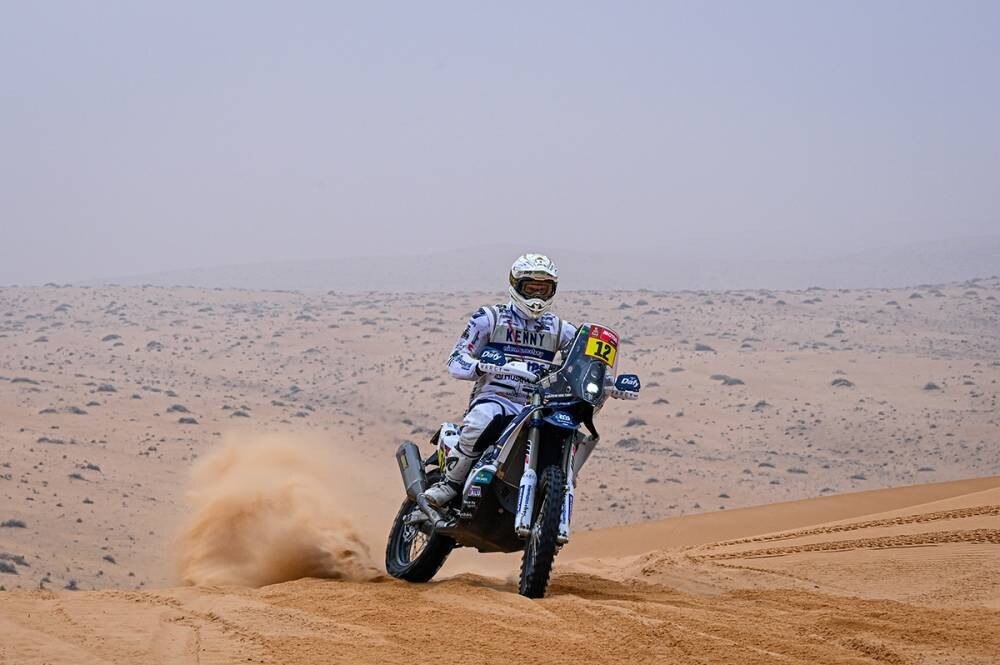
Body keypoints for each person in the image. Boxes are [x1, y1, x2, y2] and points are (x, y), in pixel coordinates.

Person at [421, 253, 637, 508]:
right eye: (531, 288)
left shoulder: (561, 329)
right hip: (497, 396)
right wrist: (479, 365)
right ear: (516, 286)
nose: (537, 296)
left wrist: (610, 383)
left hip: (541, 401)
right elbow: (457, 358)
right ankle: (450, 484)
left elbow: (585, 363)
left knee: (566, 435)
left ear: (552, 290)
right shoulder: (490, 318)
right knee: (481, 421)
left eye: (543, 290)